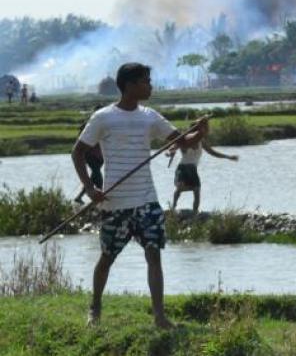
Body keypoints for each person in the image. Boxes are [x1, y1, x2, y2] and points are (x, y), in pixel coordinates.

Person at [71, 62, 209, 329]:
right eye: (146, 80)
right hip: (115, 203)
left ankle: (159, 317)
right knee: (107, 258)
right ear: (130, 85)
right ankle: (95, 307)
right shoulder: (103, 118)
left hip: (147, 199)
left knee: (153, 254)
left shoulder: (150, 117)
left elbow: (181, 142)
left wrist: (200, 132)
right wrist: (89, 188)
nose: (150, 85)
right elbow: (78, 152)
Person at [166, 139, 239, 213]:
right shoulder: (184, 140)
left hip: (192, 169)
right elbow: (173, 147)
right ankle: (173, 208)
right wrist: (169, 152)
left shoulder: (201, 141)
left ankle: (195, 213)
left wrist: (228, 157)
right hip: (182, 168)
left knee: (196, 190)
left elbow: (212, 152)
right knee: (180, 188)